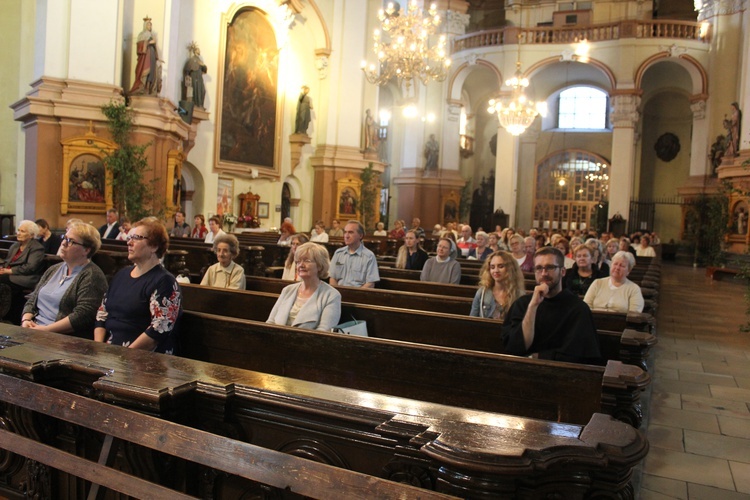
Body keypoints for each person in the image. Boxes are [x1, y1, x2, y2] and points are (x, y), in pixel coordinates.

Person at [95, 218, 182, 354]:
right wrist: (98, 348)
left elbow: (158, 329)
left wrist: (124, 356)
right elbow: (102, 314)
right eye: (129, 237)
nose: (129, 242)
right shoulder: (121, 275)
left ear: (154, 246)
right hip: (109, 353)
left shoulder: (164, 282)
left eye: (136, 238)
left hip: (144, 358)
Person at [502, 247, 601, 365]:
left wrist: (539, 357)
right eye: (539, 268)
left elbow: (579, 356)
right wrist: (533, 306)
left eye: (550, 267)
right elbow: (514, 348)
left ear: (563, 272)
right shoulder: (522, 304)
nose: (544, 273)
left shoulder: (578, 308)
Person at [21, 222, 108, 338]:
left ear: (86, 250)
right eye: (64, 238)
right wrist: (26, 319)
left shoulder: (92, 275)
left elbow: (83, 316)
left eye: (71, 241)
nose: (63, 243)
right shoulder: (54, 269)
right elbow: (33, 298)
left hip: (61, 338)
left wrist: (46, 330)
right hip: (35, 329)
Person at [267, 242, 341, 331]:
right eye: (298, 261)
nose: (301, 265)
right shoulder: (287, 290)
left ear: (320, 266)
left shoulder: (331, 295)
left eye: (307, 261)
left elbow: (324, 331)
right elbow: (270, 322)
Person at [0, 220, 46, 323]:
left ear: (31, 235)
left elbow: (31, 267)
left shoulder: (37, 248)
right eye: (18, 230)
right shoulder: (15, 246)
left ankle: (5, 315)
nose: (19, 233)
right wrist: (3, 268)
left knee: (2, 280)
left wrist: (9, 271)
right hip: (10, 275)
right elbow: (7, 261)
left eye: (23, 231)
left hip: (27, 278)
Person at [470, 250, 526, 320]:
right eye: (492, 267)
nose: (496, 270)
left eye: (500, 266)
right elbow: (472, 320)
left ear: (509, 268)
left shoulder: (519, 295)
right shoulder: (482, 293)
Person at [329, 220, 380, 288]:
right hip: (338, 294)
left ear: (360, 235)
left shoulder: (369, 256)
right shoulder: (338, 253)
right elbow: (332, 278)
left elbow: (370, 283)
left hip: (358, 295)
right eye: (345, 232)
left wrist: (356, 295)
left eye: (350, 232)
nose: (346, 236)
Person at [130, 18, 160, 95]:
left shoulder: (152, 35)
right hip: (146, 55)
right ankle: (142, 86)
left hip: (152, 54)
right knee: (145, 70)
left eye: (151, 25)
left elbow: (154, 46)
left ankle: (148, 87)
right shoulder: (142, 34)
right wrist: (149, 42)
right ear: (145, 25)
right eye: (149, 24)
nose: (150, 26)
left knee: (152, 72)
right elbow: (140, 45)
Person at [183, 42, 207, 108]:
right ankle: (196, 104)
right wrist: (187, 76)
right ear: (195, 51)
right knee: (195, 89)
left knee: (203, 90)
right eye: (198, 49)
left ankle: (200, 104)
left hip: (199, 77)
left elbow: (205, 69)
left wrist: (203, 65)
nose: (199, 51)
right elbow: (187, 69)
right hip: (194, 76)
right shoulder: (192, 59)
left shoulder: (200, 61)